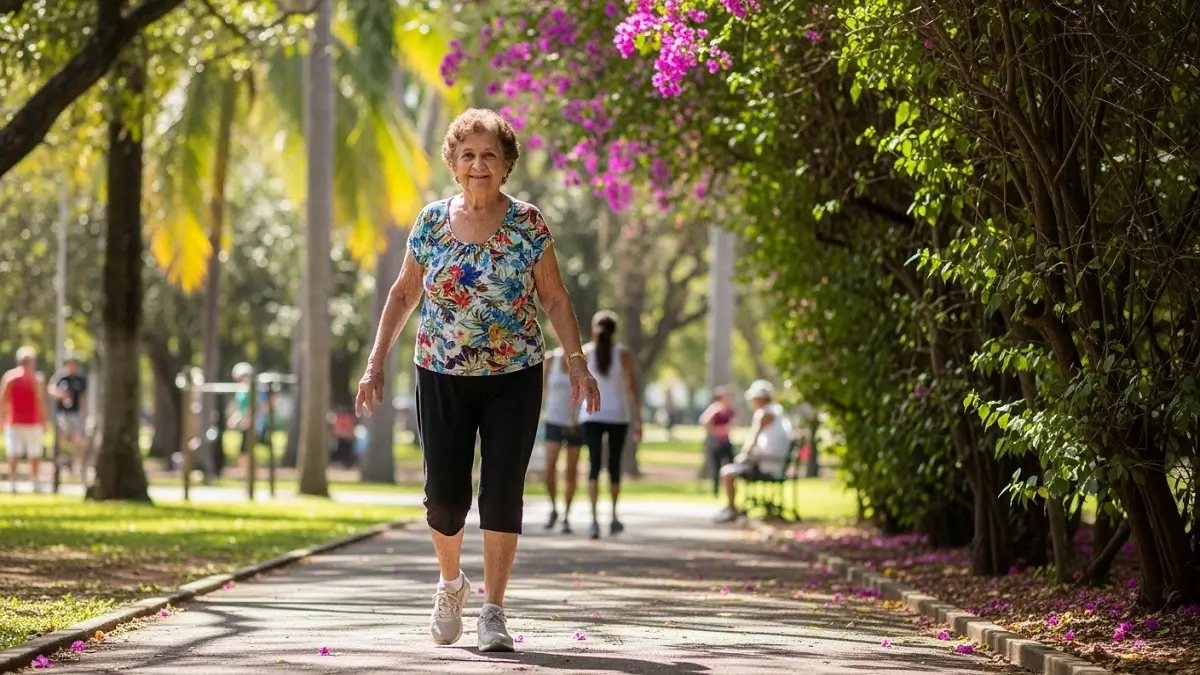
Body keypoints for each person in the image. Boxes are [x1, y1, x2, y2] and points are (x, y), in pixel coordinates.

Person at [354, 108, 600, 653]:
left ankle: (493, 610)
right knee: (443, 499)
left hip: (514, 374)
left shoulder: (528, 224)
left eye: (490, 154)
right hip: (441, 372)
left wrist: (577, 362)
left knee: (502, 492)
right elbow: (401, 294)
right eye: (468, 155)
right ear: (453, 163)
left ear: (507, 163)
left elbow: (555, 297)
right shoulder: (430, 222)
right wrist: (375, 364)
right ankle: (450, 586)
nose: (478, 164)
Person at [579, 310, 642, 540]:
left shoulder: (586, 352)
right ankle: (613, 516)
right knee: (614, 466)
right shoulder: (622, 354)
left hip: (590, 415)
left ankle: (594, 520)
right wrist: (639, 419)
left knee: (594, 466)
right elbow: (632, 388)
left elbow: (576, 386)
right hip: (618, 416)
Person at [713, 379, 793, 523]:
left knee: (727, 472)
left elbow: (752, 438)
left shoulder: (764, 414)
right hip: (776, 463)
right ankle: (732, 508)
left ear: (760, 399)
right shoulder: (778, 411)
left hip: (767, 464)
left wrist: (743, 455)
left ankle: (731, 509)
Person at [541, 346, 583, 533]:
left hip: (574, 423)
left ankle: (567, 513)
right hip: (553, 420)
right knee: (550, 466)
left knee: (571, 470)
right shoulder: (551, 360)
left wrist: (576, 416)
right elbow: (542, 390)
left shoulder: (581, 361)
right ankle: (553, 508)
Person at [1, 347, 49, 492]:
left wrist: (43, 420)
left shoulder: (17, 378)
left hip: (26, 422)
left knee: (25, 454)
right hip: (19, 422)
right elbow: (4, 400)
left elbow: (3, 400)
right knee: (21, 453)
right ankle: (20, 483)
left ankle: (26, 482)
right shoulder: (17, 378)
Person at [48, 354, 89, 475]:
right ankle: (62, 459)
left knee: (77, 439)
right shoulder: (60, 377)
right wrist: (60, 395)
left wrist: (84, 413)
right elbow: (51, 389)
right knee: (63, 434)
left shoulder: (80, 379)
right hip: (62, 413)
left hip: (75, 413)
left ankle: (77, 464)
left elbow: (83, 397)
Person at [699, 386, 736, 496]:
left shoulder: (728, 409)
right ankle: (715, 491)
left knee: (730, 464)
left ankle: (729, 489)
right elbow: (704, 421)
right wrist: (716, 431)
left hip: (726, 441)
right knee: (716, 466)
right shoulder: (715, 408)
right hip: (716, 442)